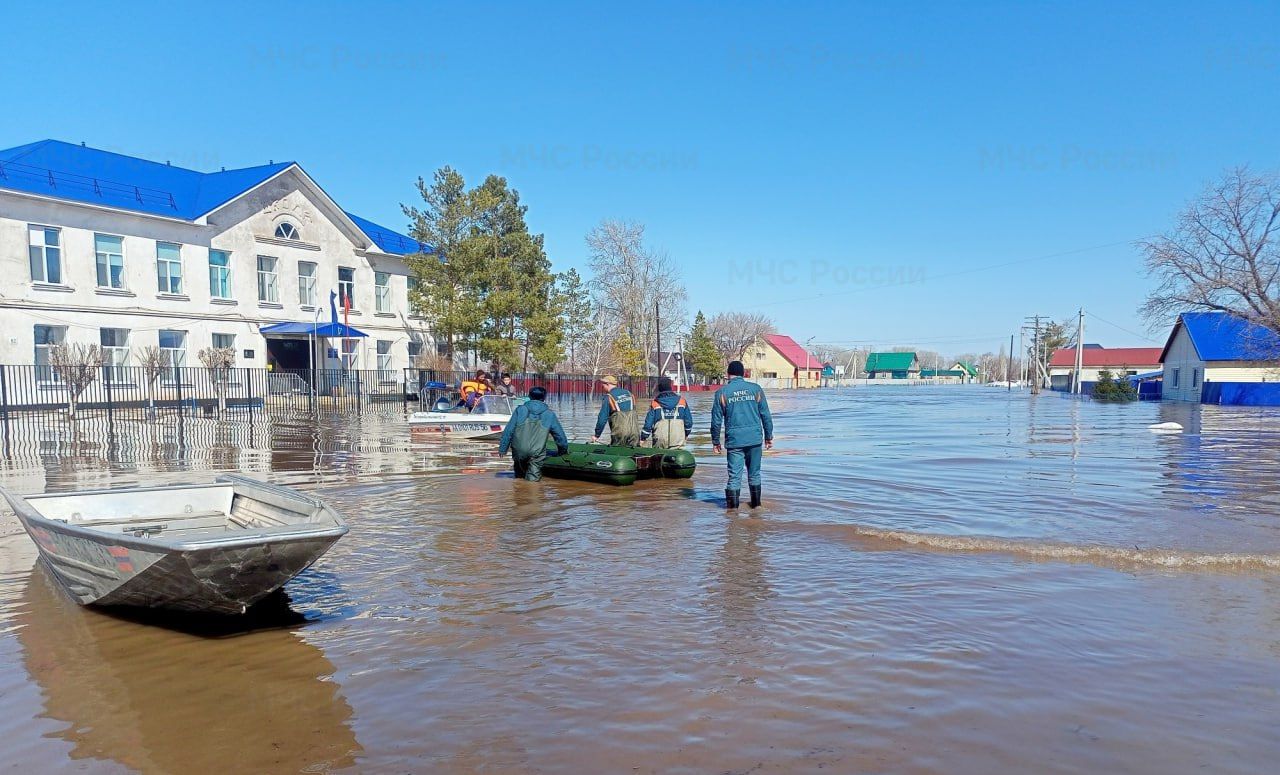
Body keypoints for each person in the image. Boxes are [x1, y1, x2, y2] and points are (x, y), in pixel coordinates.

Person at [710, 360, 774, 510]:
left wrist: (715, 441)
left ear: (728, 374)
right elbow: (766, 415)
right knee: (755, 474)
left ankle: (732, 513)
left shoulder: (722, 393)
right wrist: (768, 436)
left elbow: (716, 421)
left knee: (734, 477)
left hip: (734, 441)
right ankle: (756, 507)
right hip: (754, 439)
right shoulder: (756, 389)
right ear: (743, 373)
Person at [498, 386, 569, 482]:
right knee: (533, 484)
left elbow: (508, 430)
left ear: (529, 396)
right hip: (537, 453)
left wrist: (503, 448)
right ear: (544, 398)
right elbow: (560, 436)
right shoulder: (549, 414)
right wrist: (562, 450)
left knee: (519, 479)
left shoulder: (520, 410)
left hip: (518, 450)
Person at [641, 376, 694, 448]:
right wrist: (686, 434)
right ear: (670, 387)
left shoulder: (655, 403)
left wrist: (643, 438)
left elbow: (648, 425)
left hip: (660, 441)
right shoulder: (682, 402)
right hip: (678, 440)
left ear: (659, 388)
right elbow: (689, 423)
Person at [592, 375, 640, 446]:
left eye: (603, 385)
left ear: (607, 384)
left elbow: (602, 419)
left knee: (617, 453)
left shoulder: (609, 397)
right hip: (635, 433)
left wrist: (597, 435)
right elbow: (635, 414)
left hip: (620, 434)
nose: (602, 387)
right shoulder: (630, 394)